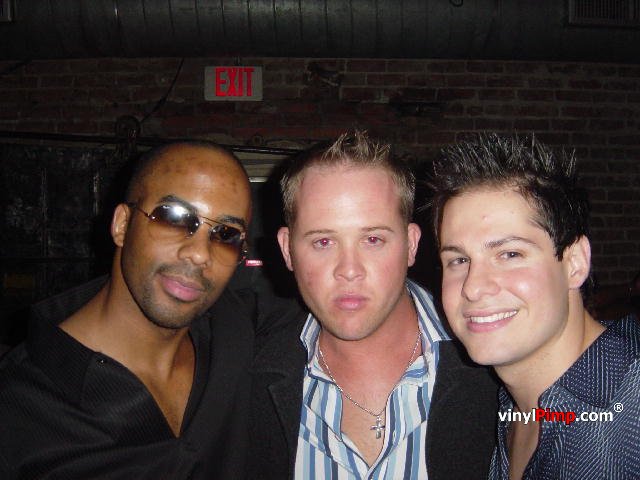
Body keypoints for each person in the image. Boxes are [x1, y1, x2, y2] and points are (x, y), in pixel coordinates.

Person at [248, 131, 498, 479]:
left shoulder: (497, 369)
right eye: (323, 242)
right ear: (287, 250)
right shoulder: (243, 379)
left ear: (411, 245)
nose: (349, 270)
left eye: (373, 239)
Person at [0, 141, 255, 479]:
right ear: (122, 224)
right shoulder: (17, 409)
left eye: (226, 234)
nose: (200, 254)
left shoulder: (237, 335)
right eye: (174, 218)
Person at [430, 134, 640, 480]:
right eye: (459, 260)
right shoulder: (505, 407)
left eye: (510, 254)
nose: (473, 287)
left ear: (574, 263)